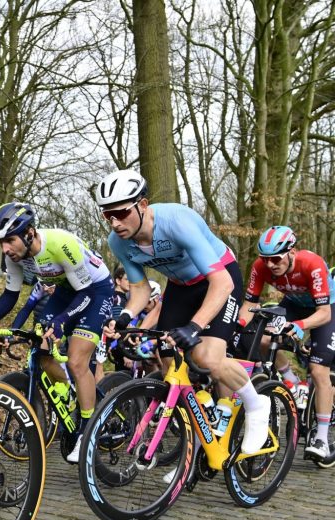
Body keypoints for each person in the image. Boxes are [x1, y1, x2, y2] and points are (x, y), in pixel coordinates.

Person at [98, 168, 271, 456]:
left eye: (122, 212)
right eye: (107, 215)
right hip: (180, 287)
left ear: (142, 204)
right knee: (167, 361)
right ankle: (198, 437)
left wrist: (195, 326)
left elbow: (222, 282)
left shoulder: (177, 221)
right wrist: (124, 316)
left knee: (207, 357)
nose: (115, 222)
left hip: (219, 278)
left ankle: (255, 404)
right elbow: (140, 289)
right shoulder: (118, 242)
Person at [0, 202, 114, 463]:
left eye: (9, 240)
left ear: (29, 233)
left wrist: (63, 321)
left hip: (95, 291)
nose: (5, 249)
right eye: (1, 243)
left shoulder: (61, 243)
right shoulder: (14, 257)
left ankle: (86, 431)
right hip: (65, 291)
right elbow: (10, 295)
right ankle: (66, 392)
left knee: (76, 360)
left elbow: (85, 293)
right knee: (38, 346)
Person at [238, 226, 335, 464]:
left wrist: (301, 325)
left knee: (318, 370)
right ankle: (290, 380)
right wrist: (238, 326)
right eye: (265, 258)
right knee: (263, 336)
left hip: (326, 309)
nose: (270, 265)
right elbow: (250, 304)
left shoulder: (310, 264)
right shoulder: (260, 267)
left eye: (275, 258)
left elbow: (323, 313)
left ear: (291, 252)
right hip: (292, 304)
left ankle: (321, 438)